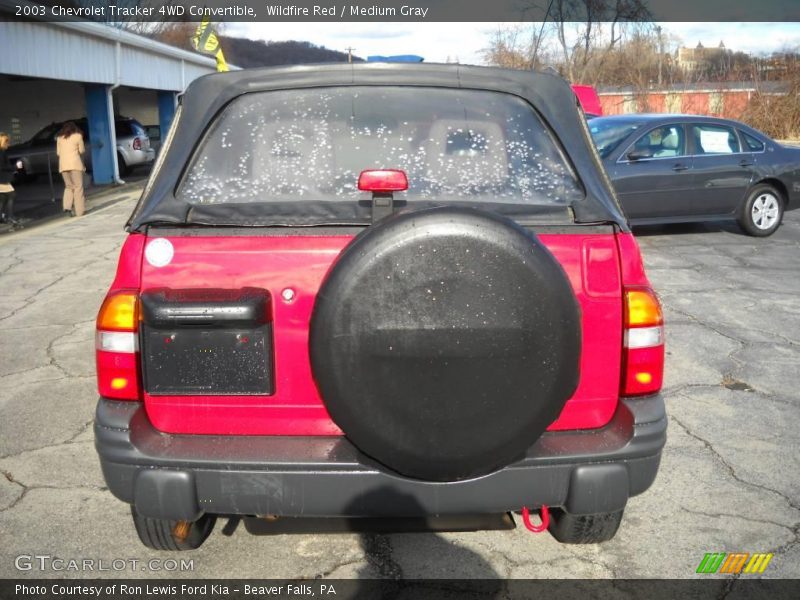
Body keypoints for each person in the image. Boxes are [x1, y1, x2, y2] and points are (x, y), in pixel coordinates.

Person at [56, 121, 86, 217]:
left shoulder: (59, 138)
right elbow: (81, 151)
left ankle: (67, 207)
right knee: (78, 187)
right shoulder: (77, 136)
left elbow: (58, 153)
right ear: (74, 128)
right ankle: (79, 211)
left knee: (69, 187)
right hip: (75, 165)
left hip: (63, 166)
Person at [0, 132, 20, 226]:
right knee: (12, 195)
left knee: (3, 198)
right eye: (7, 142)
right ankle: (10, 217)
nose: (9, 144)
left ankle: (1, 217)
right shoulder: (1, 152)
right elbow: (2, 166)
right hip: (2, 179)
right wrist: (15, 167)